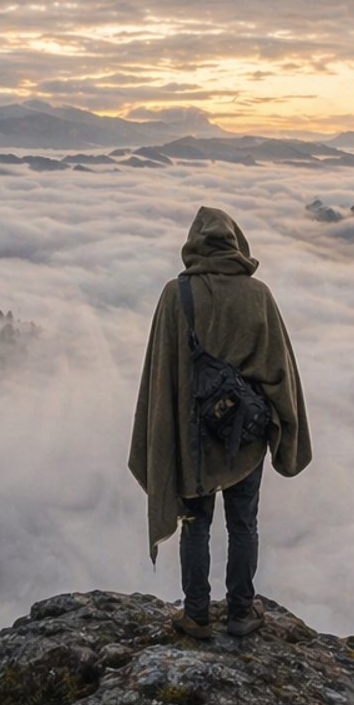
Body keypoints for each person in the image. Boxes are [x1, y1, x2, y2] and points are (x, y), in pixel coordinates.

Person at [130, 206, 311, 639]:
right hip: (246, 439)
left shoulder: (177, 295)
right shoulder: (258, 295)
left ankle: (195, 615)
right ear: (236, 243)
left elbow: (162, 375)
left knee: (196, 522)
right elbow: (279, 371)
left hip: (194, 439)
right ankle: (241, 612)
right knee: (243, 524)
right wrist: (286, 434)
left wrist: (162, 434)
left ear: (193, 245)